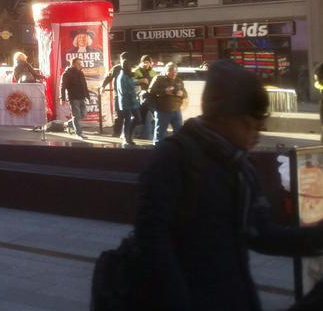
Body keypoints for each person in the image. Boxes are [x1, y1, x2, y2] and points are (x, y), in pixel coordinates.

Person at [135, 60, 323, 309]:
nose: (256, 134)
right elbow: (151, 240)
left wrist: (317, 238)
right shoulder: (174, 158)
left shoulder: (241, 165)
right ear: (222, 117)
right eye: (250, 124)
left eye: (259, 125)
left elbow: (261, 234)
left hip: (236, 297)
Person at [148, 62, 186, 145]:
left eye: (175, 72)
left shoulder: (179, 81)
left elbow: (185, 93)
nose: (174, 74)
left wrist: (182, 93)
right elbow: (150, 91)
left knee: (179, 134)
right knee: (160, 134)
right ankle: (157, 152)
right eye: (171, 72)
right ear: (166, 71)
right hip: (163, 110)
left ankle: (177, 151)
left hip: (176, 111)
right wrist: (164, 91)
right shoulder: (158, 78)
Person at [100, 51, 129, 137]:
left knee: (122, 115)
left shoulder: (119, 68)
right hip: (121, 95)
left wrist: (103, 86)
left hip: (122, 95)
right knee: (121, 115)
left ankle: (120, 133)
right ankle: (119, 133)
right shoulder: (117, 68)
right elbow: (108, 77)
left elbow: (108, 77)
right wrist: (103, 86)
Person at [59, 58, 89, 140]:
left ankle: (68, 124)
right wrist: (62, 98)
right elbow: (62, 87)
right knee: (77, 116)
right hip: (73, 98)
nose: (80, 65)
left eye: (81, 63)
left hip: (82, 97)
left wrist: (87, 96)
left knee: (83, 114)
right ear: (73, 64)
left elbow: (84, 85)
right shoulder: (67, 73)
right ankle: (79, 133)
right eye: (78, 63)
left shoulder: (81, 73)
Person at [115, 58, 140, 147]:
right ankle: (127, 138)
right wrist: (134, 90)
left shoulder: (128, 75)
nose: (130, 67)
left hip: (133, 101)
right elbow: (123, 91)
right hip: (126, 102)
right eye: (128, 66)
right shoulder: (122, 77)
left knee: (137, 118)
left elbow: (132, 83)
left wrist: (136, 83)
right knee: (128, 120)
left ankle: (129, 135)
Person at [132, 56, 157, 141]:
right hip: (138, 97)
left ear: (150, 63)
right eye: (144, 62)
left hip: (149, 97)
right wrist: (140, 81)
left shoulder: (153, 73)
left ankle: (145, 135)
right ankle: (137, 134)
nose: (145, 64)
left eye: (147, 62)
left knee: (146, 116)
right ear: (141, 62)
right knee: (139, 116)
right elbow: (130, 82)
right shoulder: (136, 71)